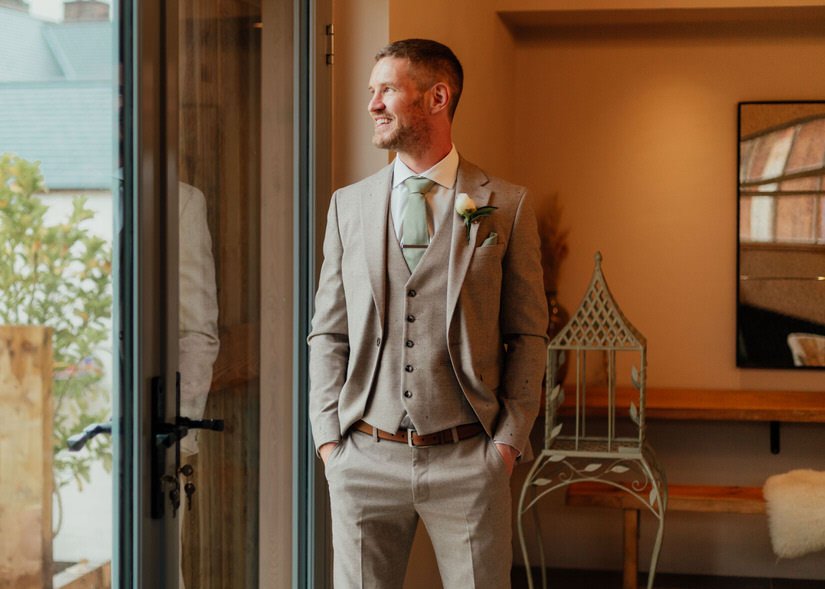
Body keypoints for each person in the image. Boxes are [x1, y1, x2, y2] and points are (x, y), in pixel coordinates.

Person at [308, 39, 548, 588]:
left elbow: (529, 333)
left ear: (437, 97)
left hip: (469, 458)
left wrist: (506, 444)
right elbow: (329, 331)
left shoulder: (505, 204)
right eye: (372, 91)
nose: (372, 104)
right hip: (363, 455)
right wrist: (329, 441)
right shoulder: (349, 204)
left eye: (387, 89)